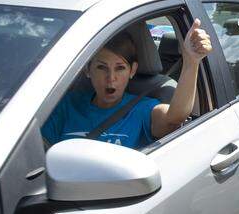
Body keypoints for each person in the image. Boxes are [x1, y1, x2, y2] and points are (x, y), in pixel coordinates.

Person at [41, 21, 213, 150]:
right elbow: (38, 156)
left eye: (120, 68)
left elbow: (175, 117)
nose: (111, 78)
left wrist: (191, 61)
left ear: (132, 70)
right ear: (87, 69)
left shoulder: (142, 109)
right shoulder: (67, 104)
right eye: (101, 67)